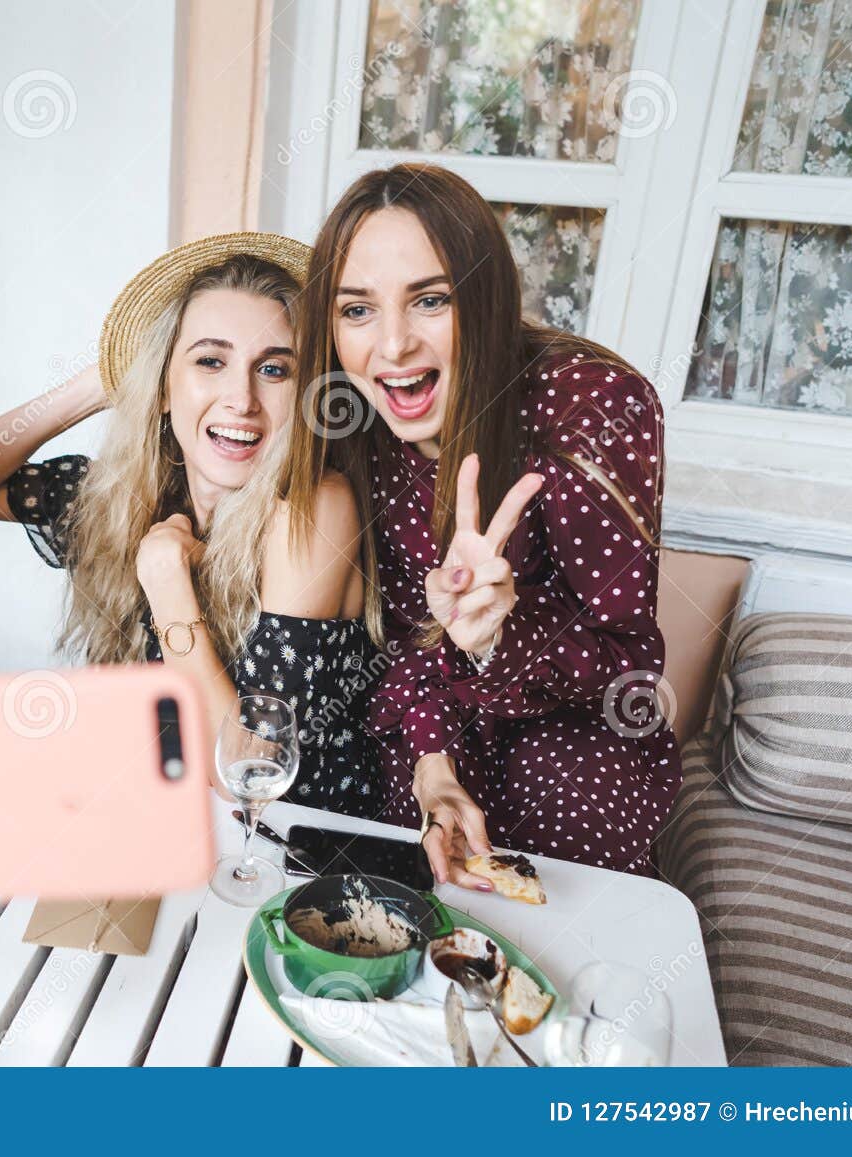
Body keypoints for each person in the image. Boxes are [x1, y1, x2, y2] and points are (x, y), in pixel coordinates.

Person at [282, 164, 679, 886]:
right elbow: (401, 643)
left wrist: (503, 634)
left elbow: (632, 666)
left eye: (430, 300)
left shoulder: (590, 405)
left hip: (576, 731)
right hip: (430, 717)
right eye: (358, 310)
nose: (394, 346)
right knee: (414, 902)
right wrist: (432, 769)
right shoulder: (349, 420)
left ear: (486, 298)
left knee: (559, 902)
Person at [0, 235, 383, 818]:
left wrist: (167, 585)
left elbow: (247, 765)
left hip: (299, 855)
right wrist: (106, 381)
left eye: (274, 369)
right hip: (168, 820)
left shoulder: (313, 508)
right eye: (210, 362)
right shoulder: (132, 494)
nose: (241, 399)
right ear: (165, 385)